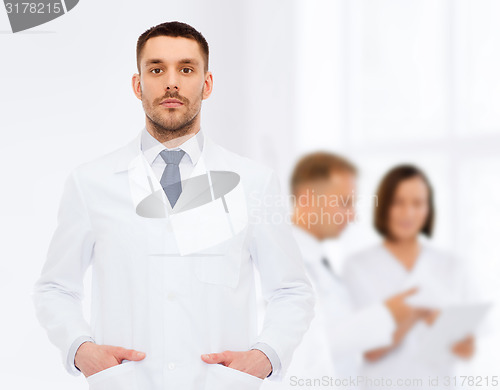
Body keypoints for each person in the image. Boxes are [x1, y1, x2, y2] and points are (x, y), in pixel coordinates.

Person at [31, 21, 314, 390]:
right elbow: (55, 287)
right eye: (156, 69)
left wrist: (266, 356)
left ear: (206, 84)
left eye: (186, 69)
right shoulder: (91, 183)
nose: (171, 83)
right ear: (138, 85)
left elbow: (291, 290)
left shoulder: (254, 183)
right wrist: (81, 350)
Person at [262, 153, 421, 389]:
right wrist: (386, 316)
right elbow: (304, 347)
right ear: (307, 199)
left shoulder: (318, 260)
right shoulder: (284, 259)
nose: (352, 215)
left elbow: (339, 342)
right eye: (344, 203)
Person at [343, 164, 476, 389]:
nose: (408, 213)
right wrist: (415, 314)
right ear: (384, 206)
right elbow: (369, 350)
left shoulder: (452, 266)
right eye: (398, 202)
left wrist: (437, 322)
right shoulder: (358, 266)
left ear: (428, 209)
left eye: (417, 203)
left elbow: (467, 349)